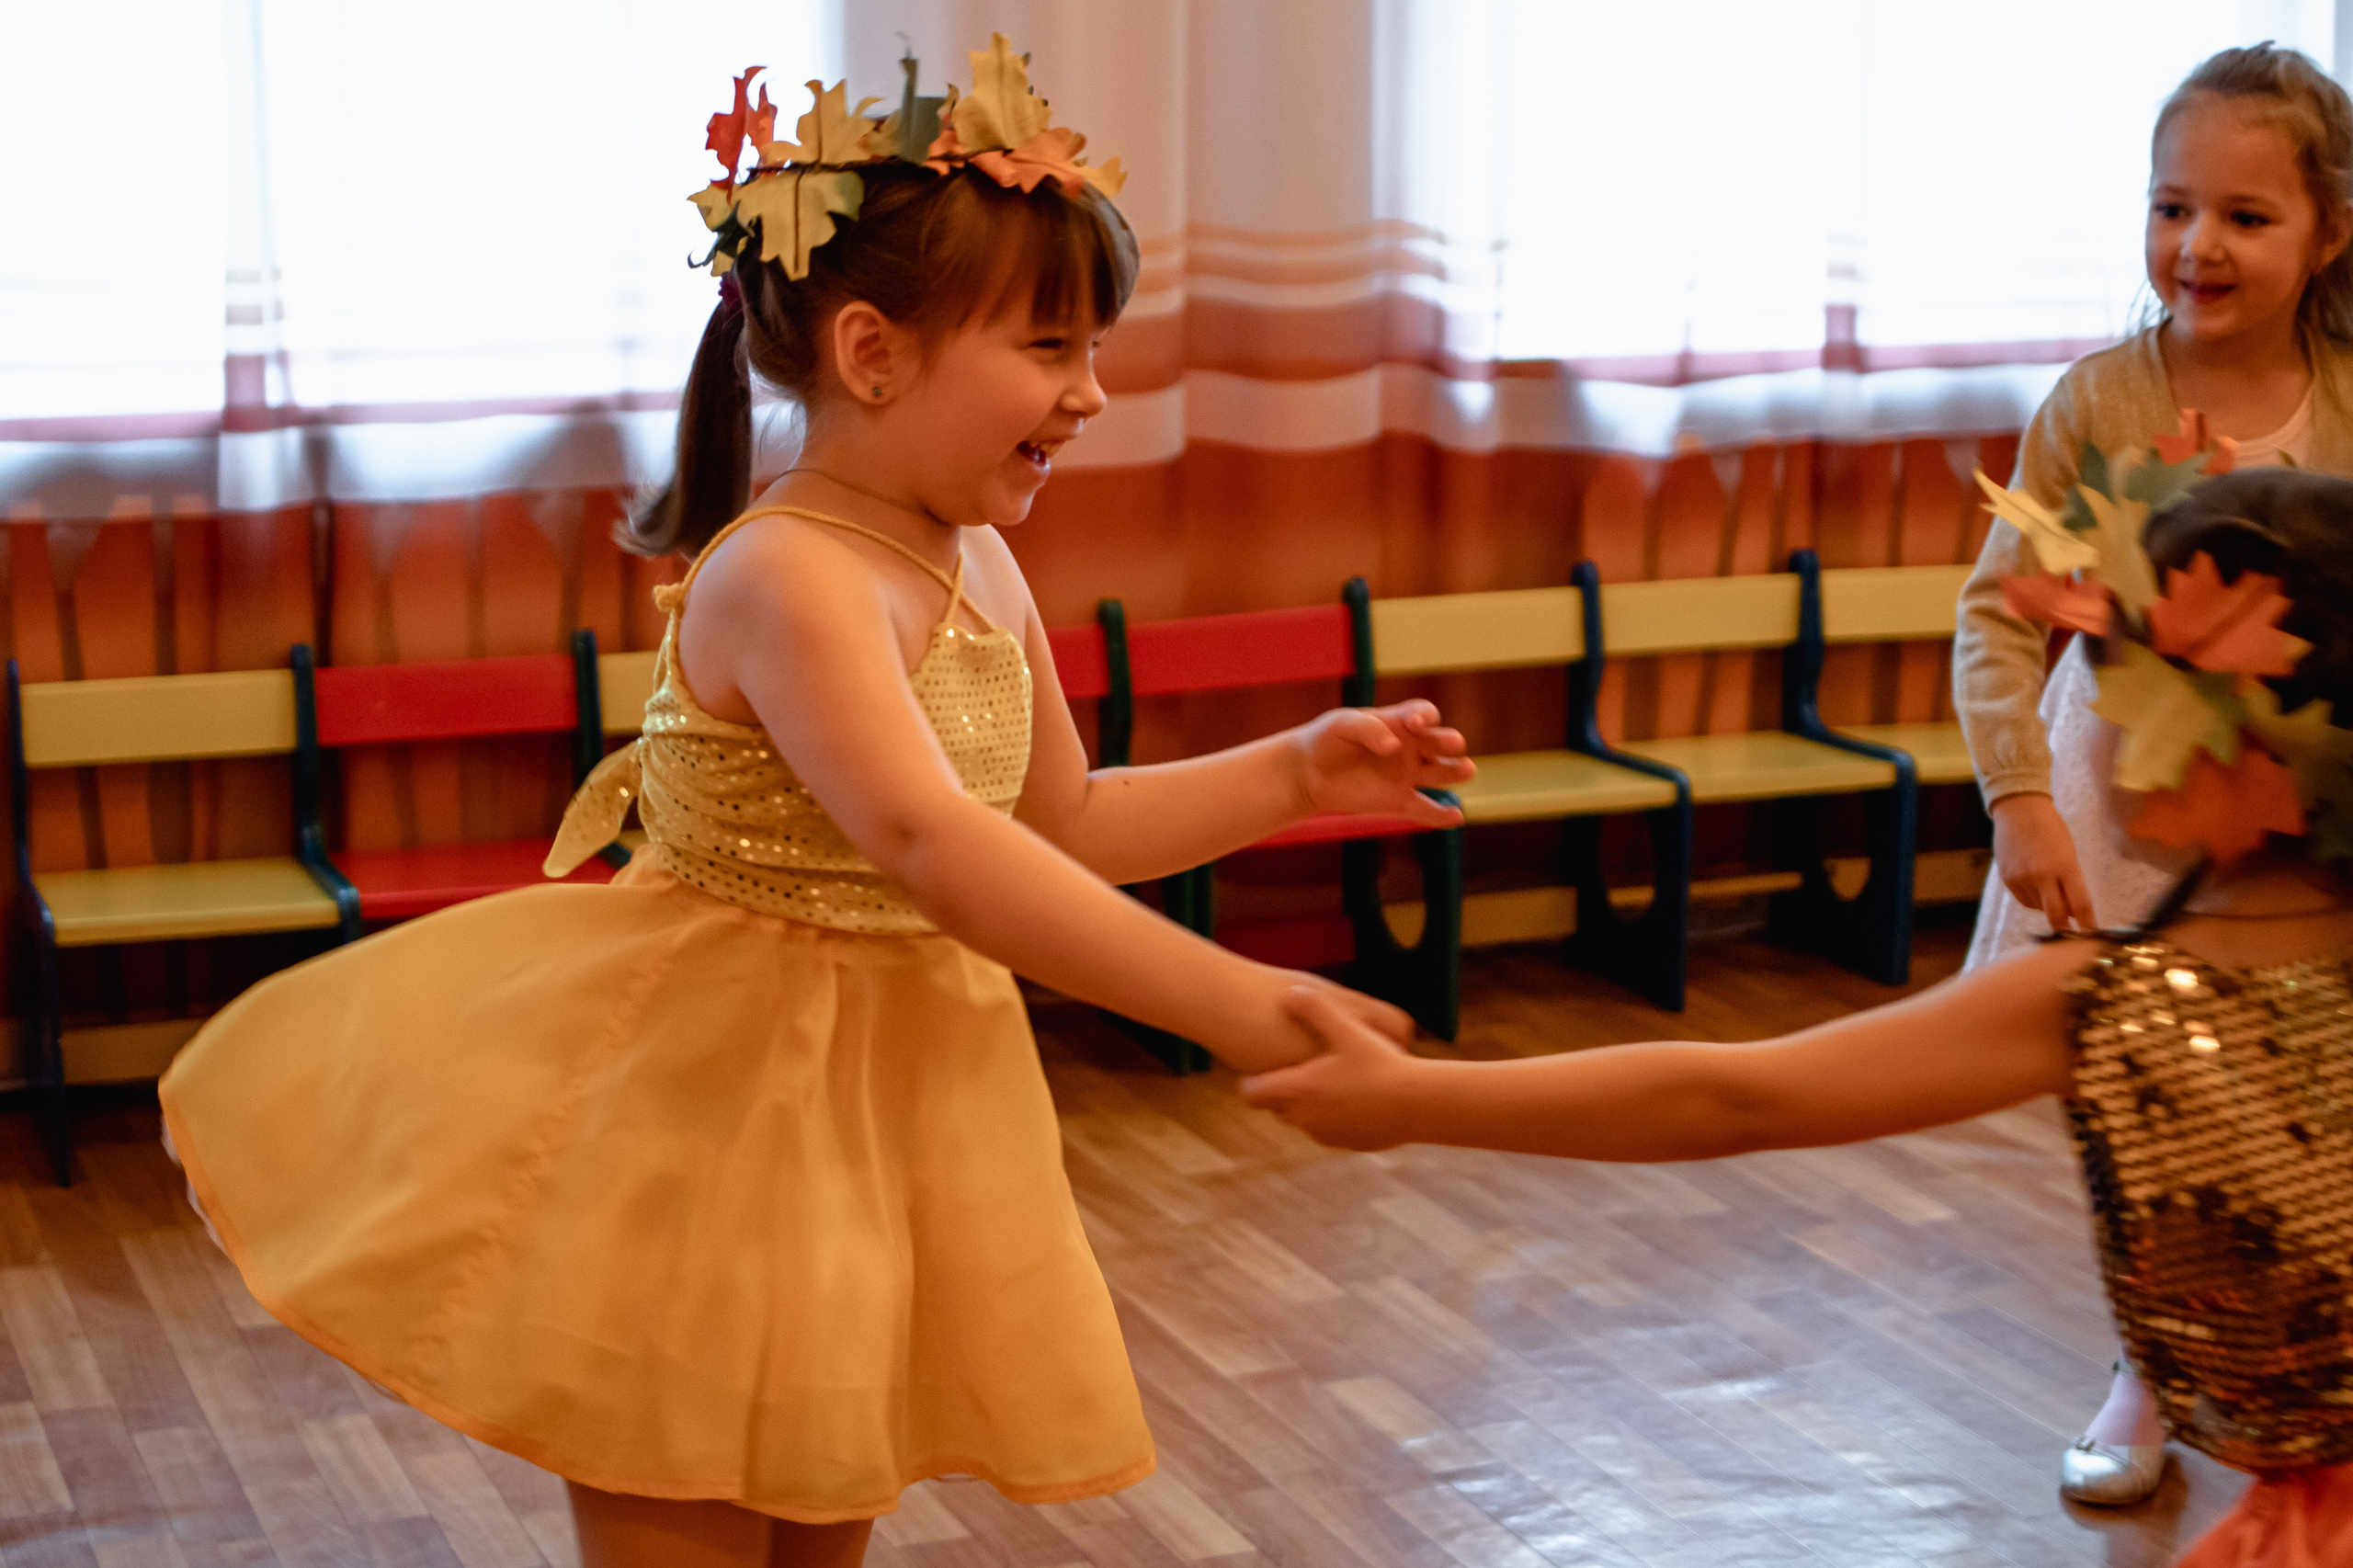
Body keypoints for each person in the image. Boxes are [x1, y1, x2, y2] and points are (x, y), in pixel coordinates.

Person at [157, 41, 1470, 1568]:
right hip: (700, 1117)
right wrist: (1234, 998)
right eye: (1052, 348)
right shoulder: (791, 576)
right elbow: (934, 844)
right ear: (870, 352)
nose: (1092, 392)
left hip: (873, 1121)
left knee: (819, 1515)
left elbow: (1063, 821)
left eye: (1092, 348)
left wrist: (1297, 770)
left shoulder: (974, 552)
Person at [1249, 463, 2353, 1565]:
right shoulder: (2119, 994)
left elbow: (1736, 1094)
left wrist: (1410, 1096)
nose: (2085, 713)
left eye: (2109, 678)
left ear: (2230, 736)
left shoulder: (2104, 1002)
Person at [1954, 41, 2353, 1504]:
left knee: (2310, 1099)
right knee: (2161, 1107)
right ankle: (2154, 1358)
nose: (2198, 246)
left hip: (2316, 819)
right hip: (2129, 804)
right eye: (2171, 206)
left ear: (2330, 233)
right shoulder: (2098, 401)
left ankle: (2306, 1377)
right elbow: (1997, 614)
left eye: (2247, 216)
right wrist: (2019, 795)